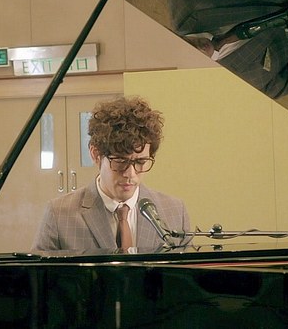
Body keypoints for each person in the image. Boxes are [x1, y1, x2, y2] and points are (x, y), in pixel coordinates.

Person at [31, 96, 190, 251]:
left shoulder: (174, 212)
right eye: (120, 161)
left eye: (140, 162)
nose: (130, 174)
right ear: (95, 154)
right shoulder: (59, 215)